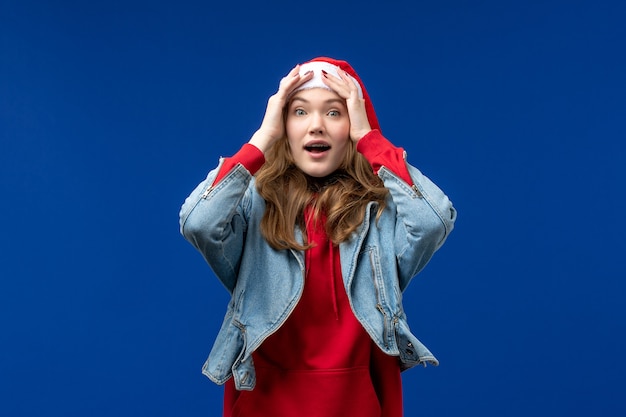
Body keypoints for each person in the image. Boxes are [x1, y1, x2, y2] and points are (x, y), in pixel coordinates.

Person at [179, 57, 456, 417]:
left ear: (353, 124)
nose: (316, 126)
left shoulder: (381, 213)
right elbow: (198, 222)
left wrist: (370, 140)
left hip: (359, 401)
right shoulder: (252, 204)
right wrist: (261, 139)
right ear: (283, 124)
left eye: (335, 113)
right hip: (265, 398)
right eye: (298, 112)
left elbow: (433, 221)